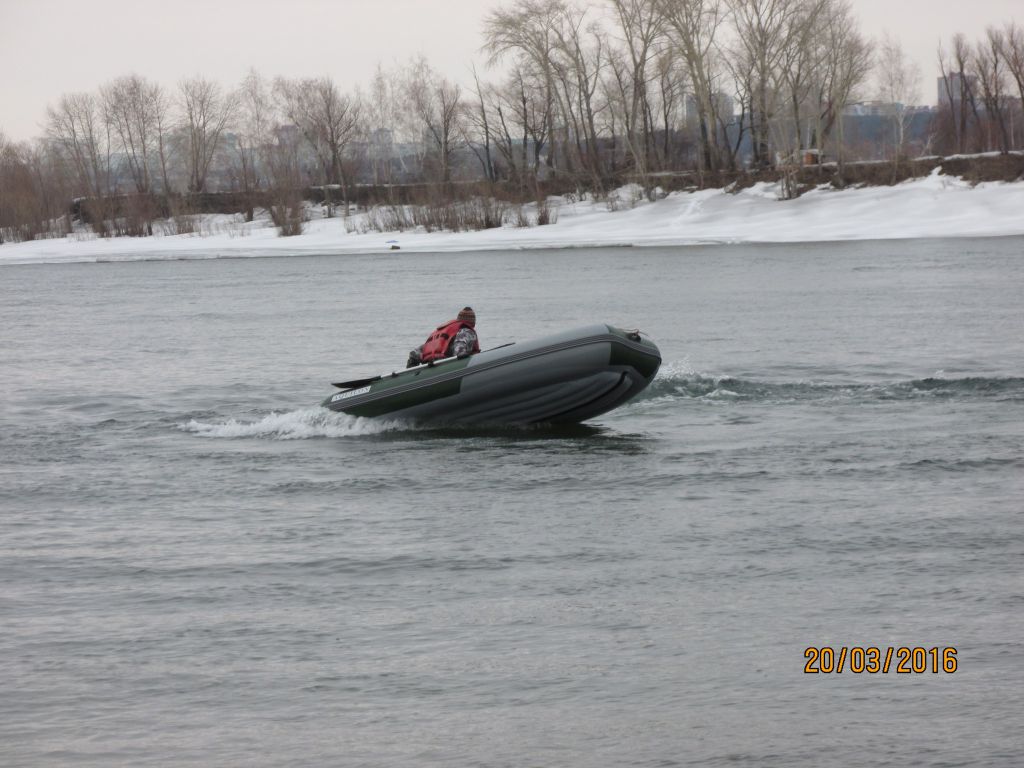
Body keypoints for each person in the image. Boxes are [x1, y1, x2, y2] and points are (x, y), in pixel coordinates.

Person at [407, 307, 480, 367]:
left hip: (429, 365)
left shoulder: (441, 333)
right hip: (445, 365)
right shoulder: (466, 331)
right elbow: (459, 348)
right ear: (472, 322)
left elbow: (414, 354)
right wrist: (462, 353)